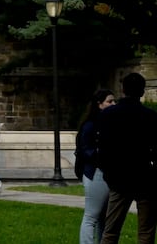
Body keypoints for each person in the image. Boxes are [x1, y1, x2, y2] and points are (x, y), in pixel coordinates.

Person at [97, 72, 157, 243]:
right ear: (142, 92)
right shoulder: (150, 116)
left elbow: (103, 147)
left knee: (111, 231)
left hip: (118, 177)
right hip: (145, 176)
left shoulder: (108, 115)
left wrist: (108, 172)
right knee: (146, 232)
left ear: (122, 90)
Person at [75, 88, 115, 244]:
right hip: (96, 172)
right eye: (109, 101)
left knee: (103, 217)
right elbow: (85, 150)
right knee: (92, 215)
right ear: (99, 104)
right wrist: (101, 154)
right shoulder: (91, 125)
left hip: (106, 171)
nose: (113, 104)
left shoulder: (108, 123)